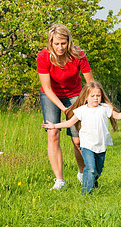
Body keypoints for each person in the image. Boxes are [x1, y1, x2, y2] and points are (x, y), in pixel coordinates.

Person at [42, 81, 121, 195]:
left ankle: (93, 182)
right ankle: (85, 193)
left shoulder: (105, 107)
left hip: (101, 145)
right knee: (90, 168)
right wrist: (54, 126)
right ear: (86, 97)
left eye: (98, 95)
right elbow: (69, 123)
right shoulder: (81, 110)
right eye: (92, 96)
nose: (95, 98)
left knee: (97, 171)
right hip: (87, 145)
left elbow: (118, 116)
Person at [37, 23, 94, 190]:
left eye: (63, 43)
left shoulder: (79, 55)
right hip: (50, 95)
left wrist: (90, 102)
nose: (60, 47)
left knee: (77, 139)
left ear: (69, 41)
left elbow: (90, 82)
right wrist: (64, 109)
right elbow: (47, 88)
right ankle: (59, 180)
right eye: (56, 44)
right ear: (50, 43)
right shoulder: (43, 57)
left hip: (75, 94)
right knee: (53, 133)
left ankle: (82, 172)